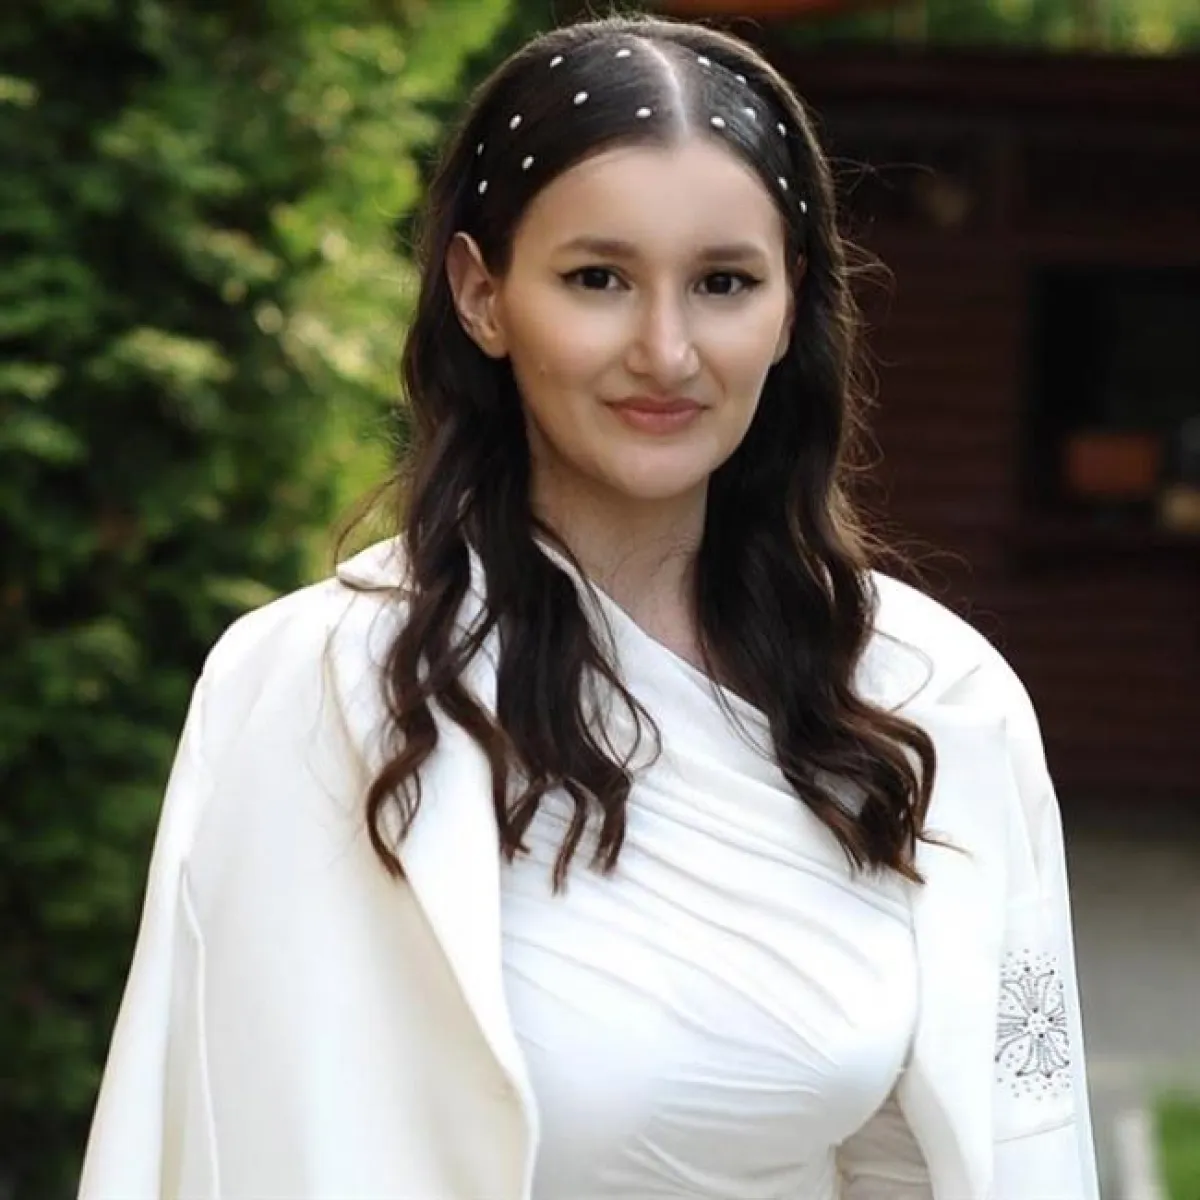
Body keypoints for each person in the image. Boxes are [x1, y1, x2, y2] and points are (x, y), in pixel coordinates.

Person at [79, 13, 1101, 1200]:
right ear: (482, 294)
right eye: (598, 279)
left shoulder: (933, 698)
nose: (666, 351)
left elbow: (987, 1151)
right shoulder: (313, 688)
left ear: (790, 306)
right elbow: (220, 1141)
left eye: (723, 283)